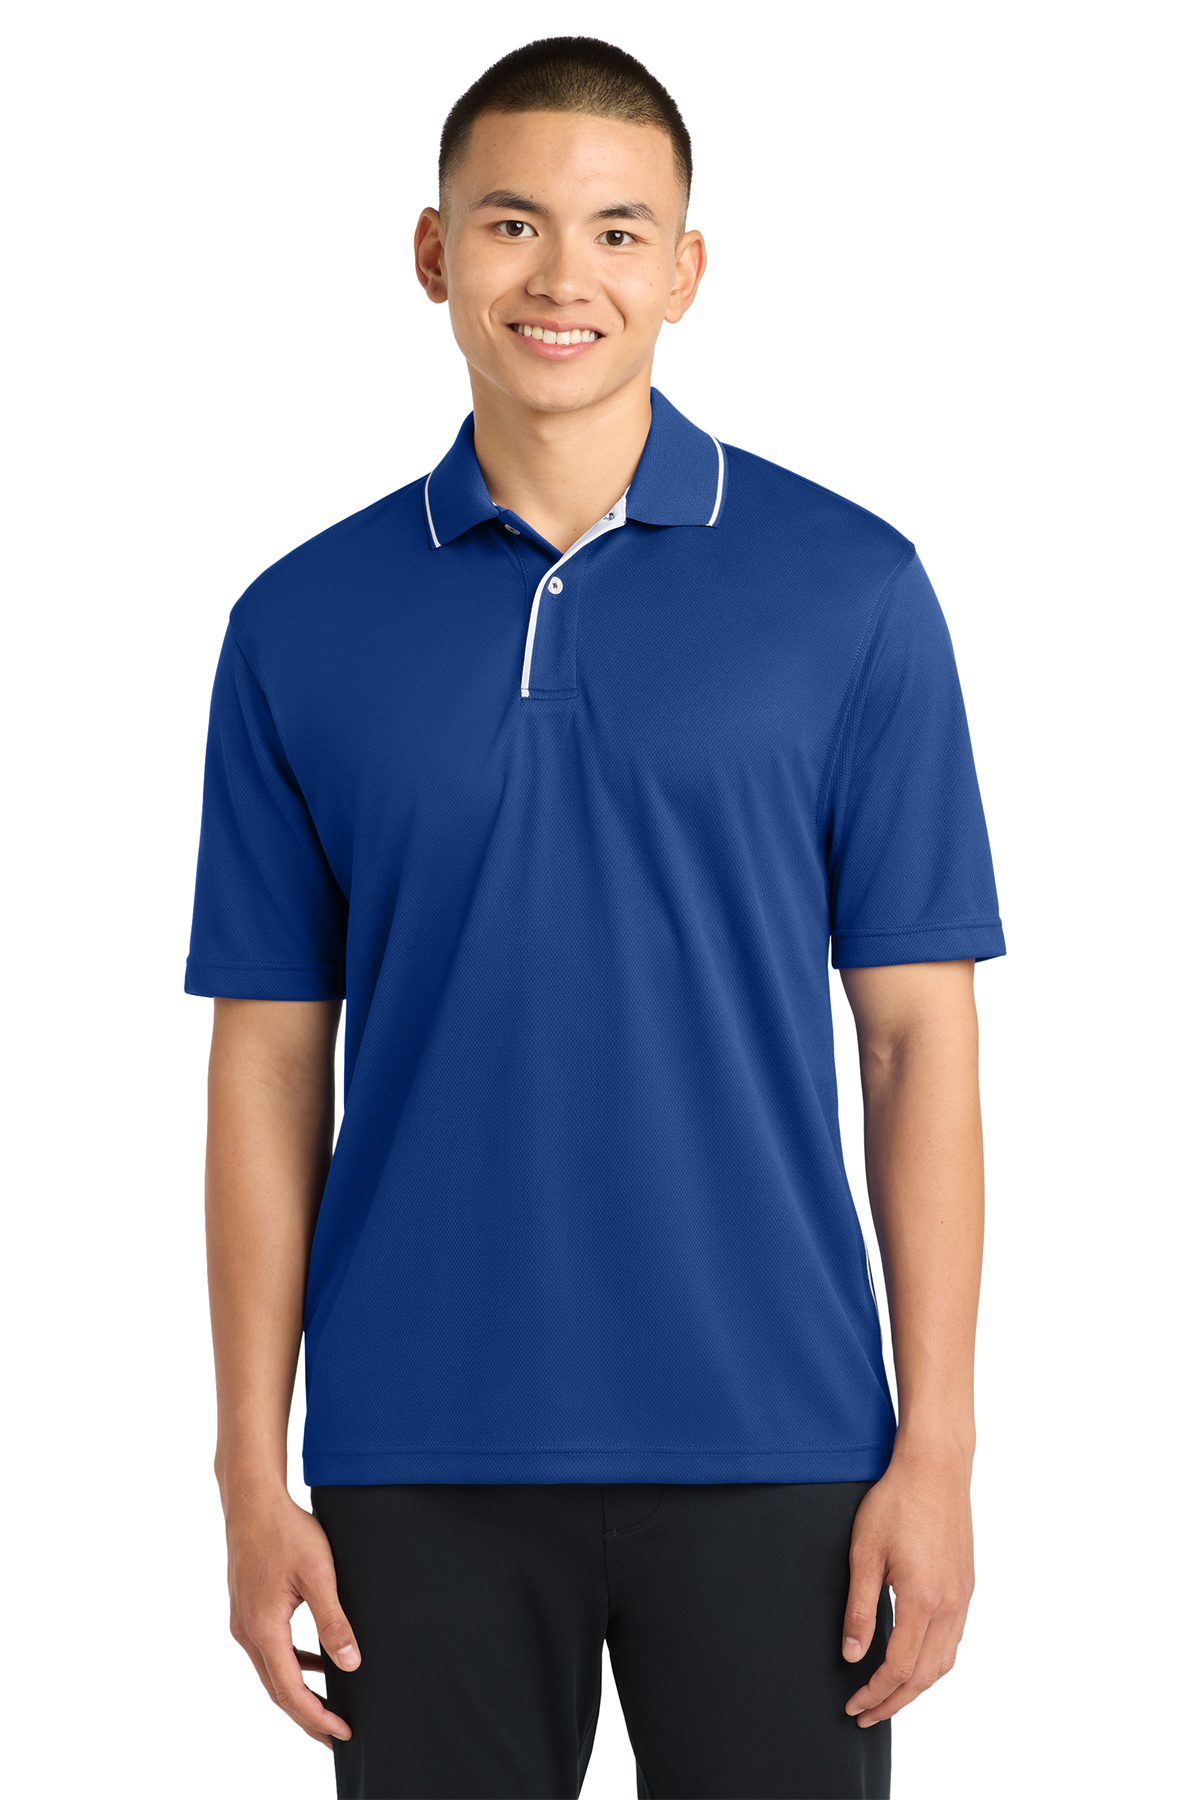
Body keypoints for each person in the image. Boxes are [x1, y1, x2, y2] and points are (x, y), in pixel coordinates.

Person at [186, 35, 1004, 1800]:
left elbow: (916, 1040)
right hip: (415, 1452)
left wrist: (936, 1445)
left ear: (685, 272)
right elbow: (268, 1063)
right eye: (513, 224)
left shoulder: (852, 591)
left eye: (620, 231)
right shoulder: (296, 624)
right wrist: (251, 1469)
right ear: (434, 254)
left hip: (784, 1438)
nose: (566, 276)